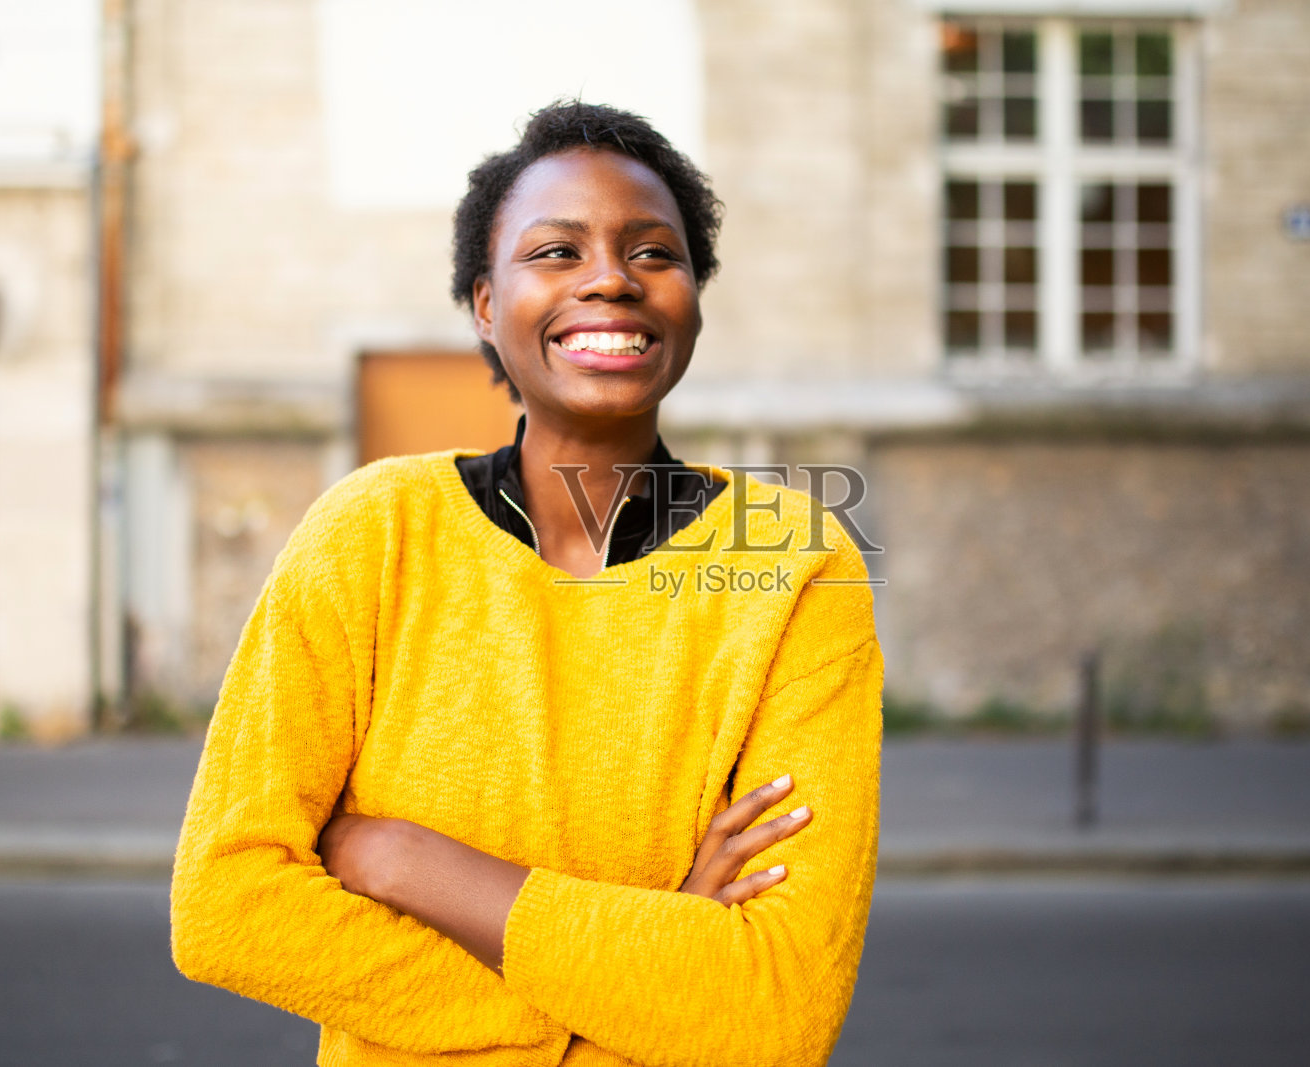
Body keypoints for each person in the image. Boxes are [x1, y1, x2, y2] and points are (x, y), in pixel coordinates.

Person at [170, 100, 883, 1067]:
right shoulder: (372, 533)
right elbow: (226, 903)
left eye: (654, 252)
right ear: (484, 302)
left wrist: (415, 865)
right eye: (555, 251)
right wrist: (632, 992)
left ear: (694, 297)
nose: (609, 279)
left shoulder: (791, 563)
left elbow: (778, 1008)